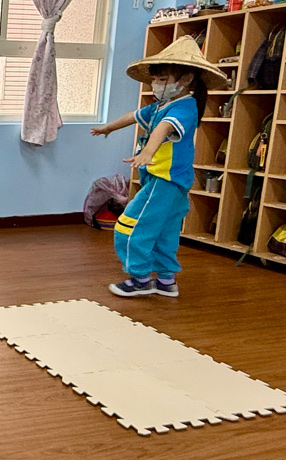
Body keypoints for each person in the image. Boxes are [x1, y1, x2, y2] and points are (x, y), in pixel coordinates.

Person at [91, 35, 227, 298]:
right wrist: (109, 128)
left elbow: (164, 129)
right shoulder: (161, 106)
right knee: (165, 231)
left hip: (166, 181)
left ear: (186, 79)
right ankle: (166, 281)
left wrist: (148, 152)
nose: (156, 84)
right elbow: (133, 116)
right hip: (169, 182)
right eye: (155, 79)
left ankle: (140, 279)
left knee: (130, 226)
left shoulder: (185, 107)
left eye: (163, 79)